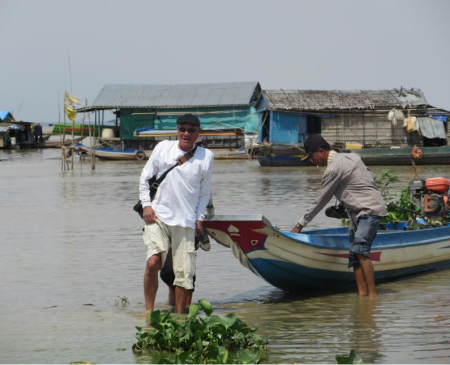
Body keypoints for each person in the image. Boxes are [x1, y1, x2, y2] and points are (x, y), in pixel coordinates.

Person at [291, 135, 388, 297]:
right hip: (359, 212)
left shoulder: (334, 168)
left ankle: (372, 297)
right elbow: (365, 179)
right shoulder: (351, 156)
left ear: (321, 151)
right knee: (354, 256)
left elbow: (320, 200)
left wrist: (300, 225)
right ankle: (362, 296)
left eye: (311, 157)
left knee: (360, 249)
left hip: (368, 211)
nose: (311, 161)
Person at [140, 113, 214, 313]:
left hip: (186, 222)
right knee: (153, 262)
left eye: (191, 130)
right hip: (158, 217)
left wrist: (200, 218)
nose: (186, 133)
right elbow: (145, 177)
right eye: (182, 129)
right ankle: (148, 315)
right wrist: (147, 205)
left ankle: (180, 319)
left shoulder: (206, 156)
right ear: (177, 130)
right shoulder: (162, 148)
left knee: (183, 274)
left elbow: (205, 193)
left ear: (198, 132)